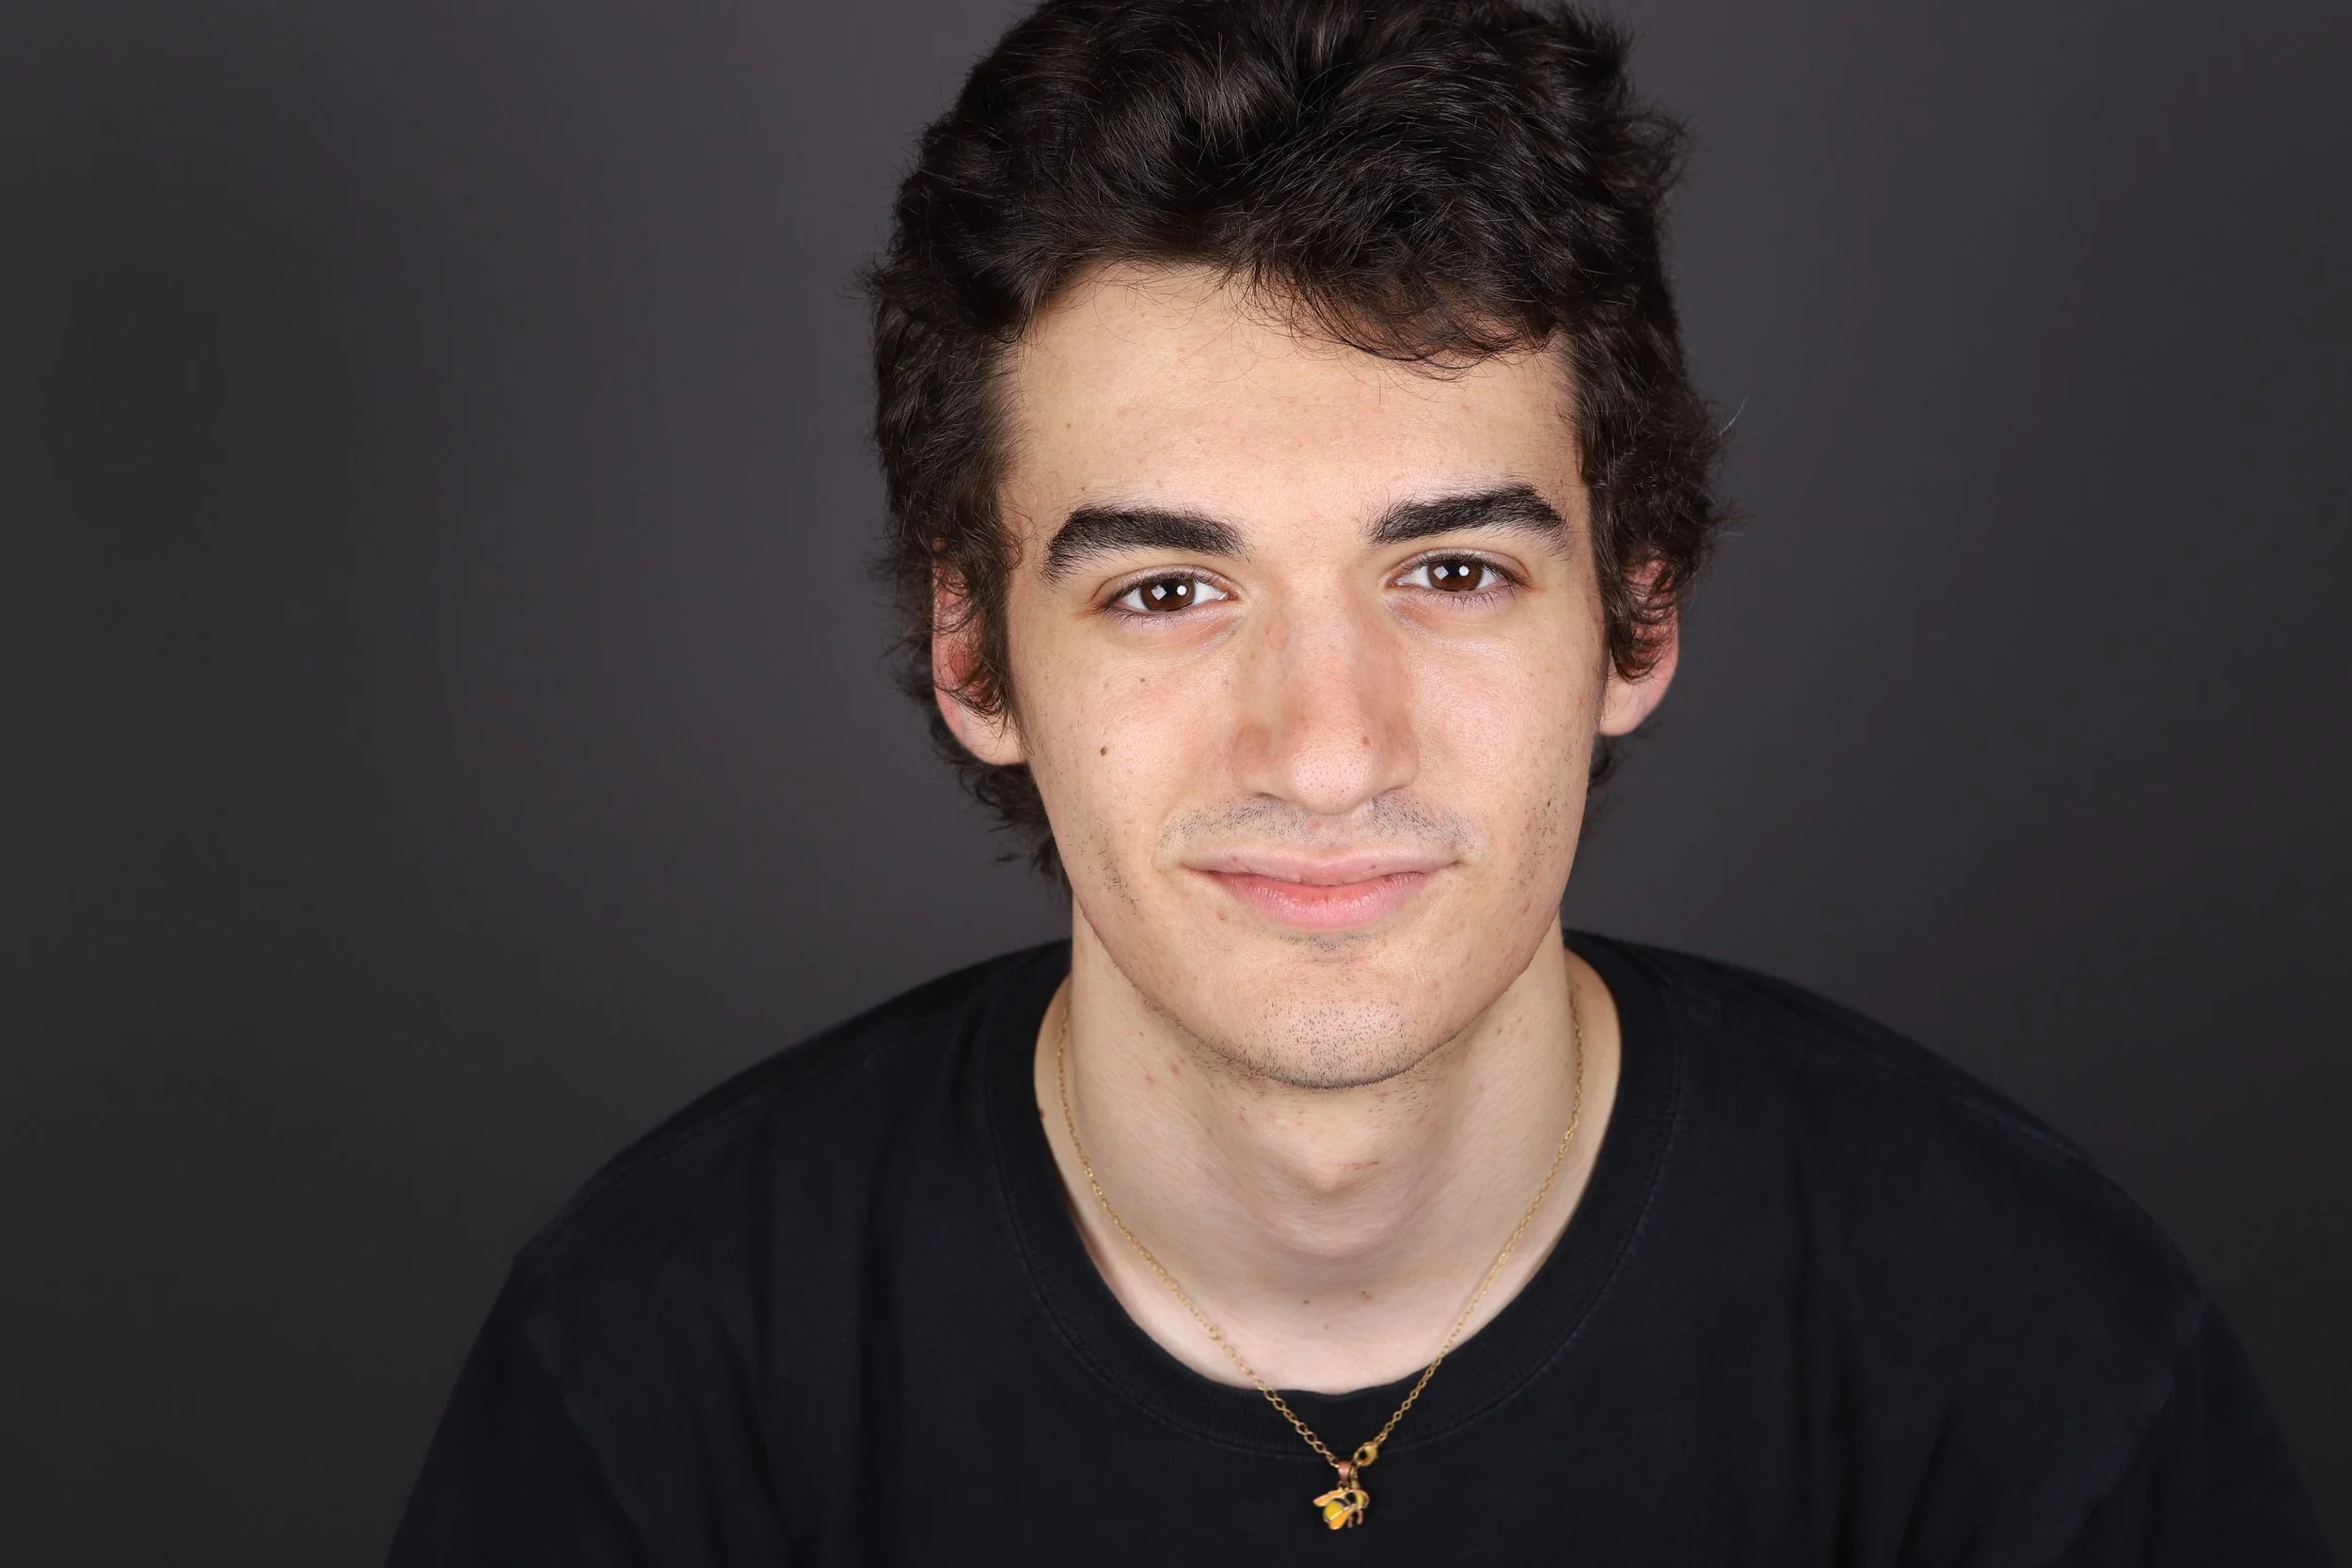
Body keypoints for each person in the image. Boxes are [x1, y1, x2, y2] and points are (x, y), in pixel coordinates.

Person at [387, 1, 2331, 1562]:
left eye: (1451, 572)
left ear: (1633, 618)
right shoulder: (654, 1374)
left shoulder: (2030, 1366)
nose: (1323, 744)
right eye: (1165, 587)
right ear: (976, 656)